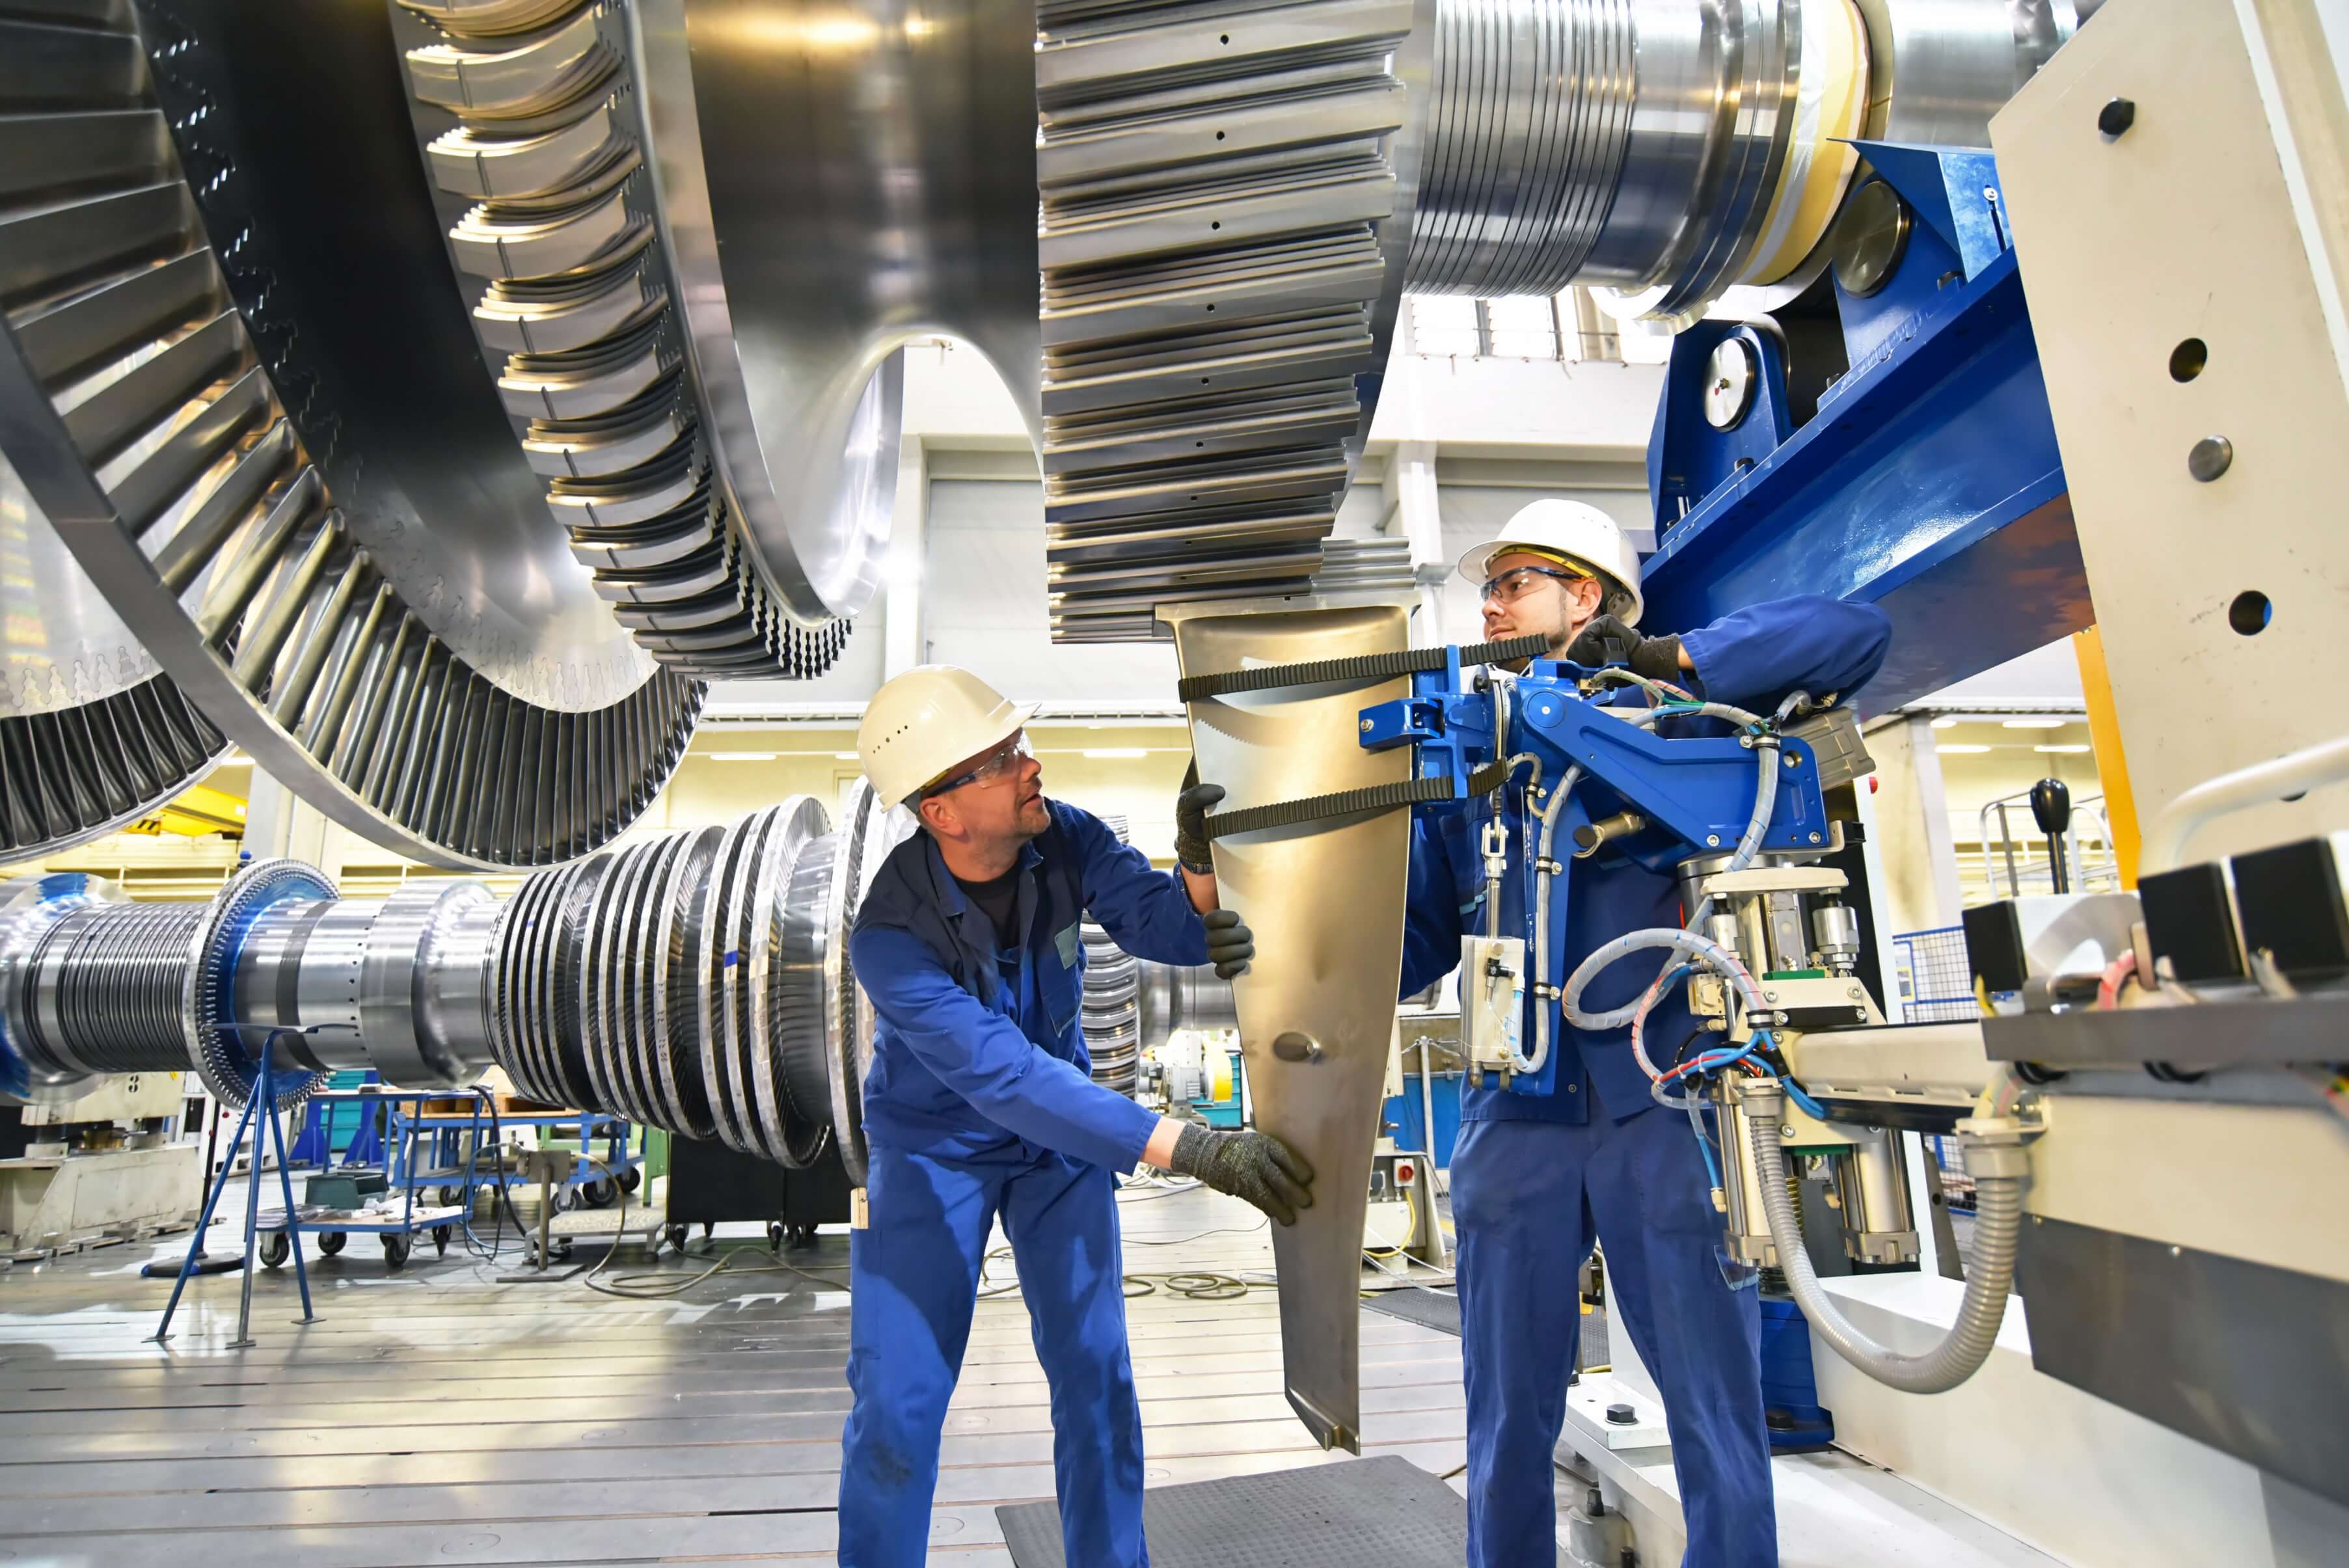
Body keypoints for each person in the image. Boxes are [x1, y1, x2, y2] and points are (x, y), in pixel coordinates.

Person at [1402, 499, 1892, 1567]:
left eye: (1517, 580)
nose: (1490, 604)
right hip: (1511, 1113)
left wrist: (1668, 659)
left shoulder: (1672, 726)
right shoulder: (1468, 764)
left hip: (1654, 1101)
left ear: (1586, 596)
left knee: (1716, 1409)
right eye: (1486, 588)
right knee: (1503, 1422)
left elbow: (1857, 632)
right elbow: (1408, 950)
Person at [840, 664, 1315, 1568]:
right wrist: (1193, 1146)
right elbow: (1001, 1075)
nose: (1031, 764)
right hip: (933, 1152)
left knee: (1096, 1376)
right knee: (897, 1402)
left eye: (1019, 745)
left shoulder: (1065, 837)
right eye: (1001, 756)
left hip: (1056, 1150)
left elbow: (1166, 929)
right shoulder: (889, 937)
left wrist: (1201, 859)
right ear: (942, 809)